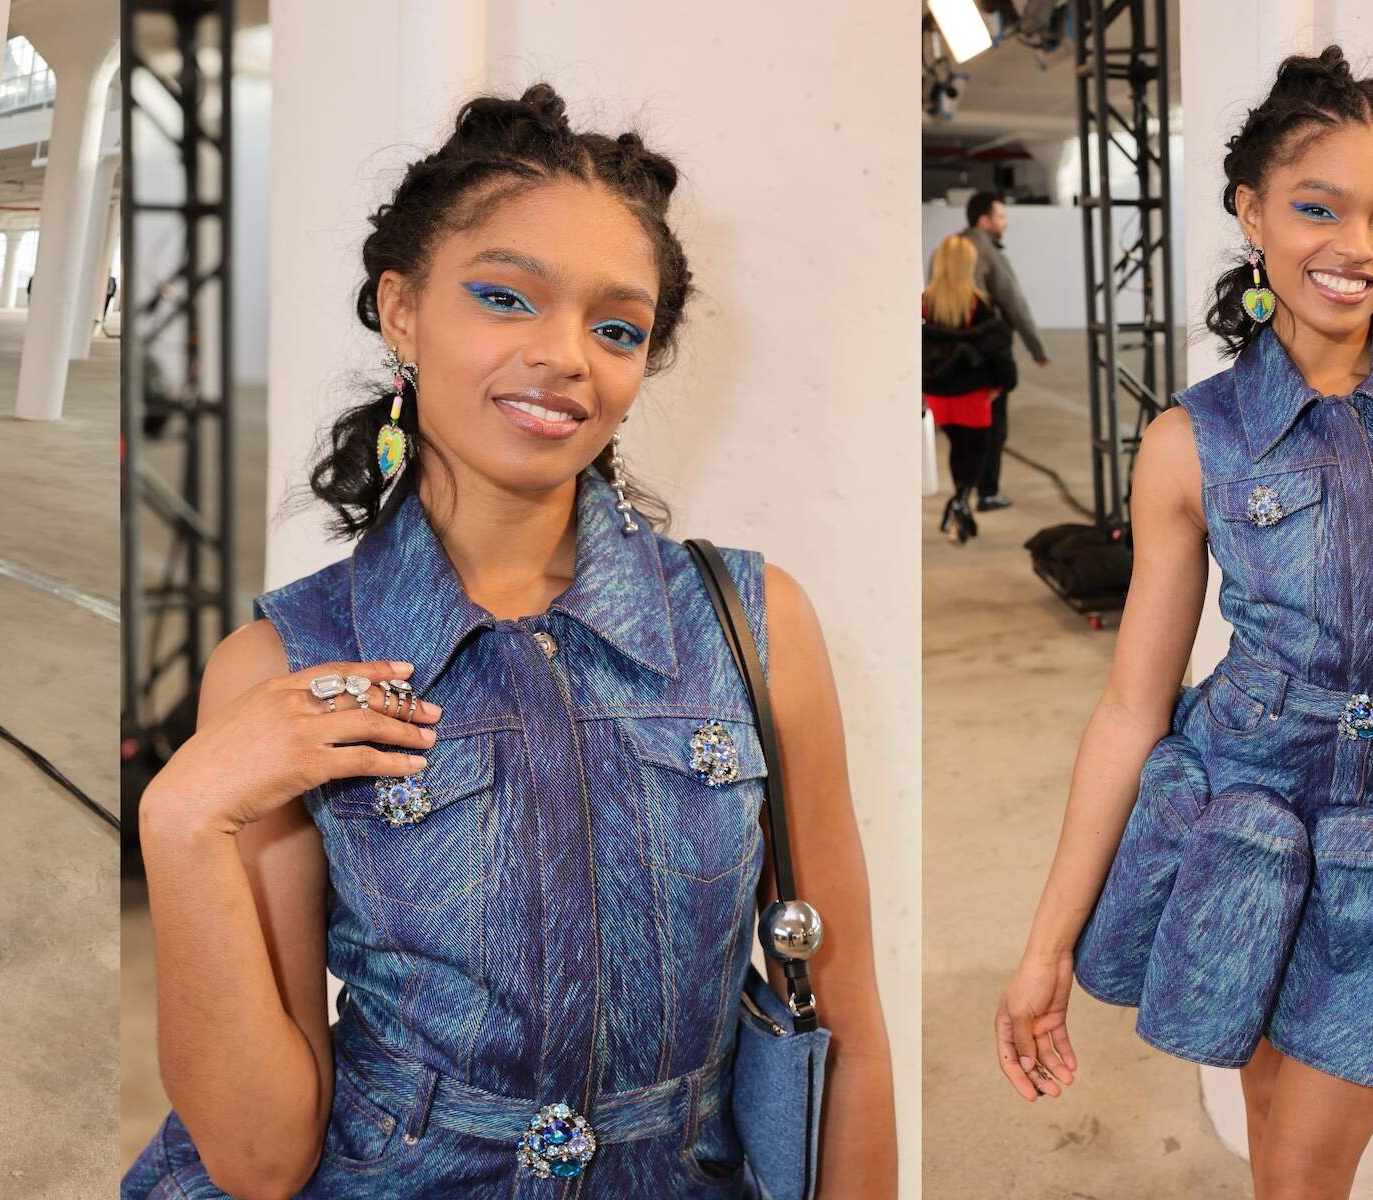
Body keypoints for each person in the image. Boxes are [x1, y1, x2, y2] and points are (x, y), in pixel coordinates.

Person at [121, 83, 896, 1198]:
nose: (566, 354)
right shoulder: (282, 665)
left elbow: (849, 1029)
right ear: (401, 310)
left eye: (616, 327)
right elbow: (260, 1153)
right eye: (505, 297)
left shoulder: (755, 626)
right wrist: (181, 815)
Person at [993, 46, 1373, 1199]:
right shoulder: (1191, 440)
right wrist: (1044, 944)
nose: (1356, 247)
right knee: (1277, 1149)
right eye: (1319, 207)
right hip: (1244, 829)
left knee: (1301, 1177)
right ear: (1251, 211)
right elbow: (1131, 708)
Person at [923, 233, 1016, 545]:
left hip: (937, 394)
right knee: (977, 451)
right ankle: (960, 502)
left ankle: (960, 511)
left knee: (957, 447)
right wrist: (1004, 384)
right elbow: (998, 351)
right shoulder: (979, 305)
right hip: (972, 395)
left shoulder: (924, 305)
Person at [962, 189, 1050, 512]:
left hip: (955, 355)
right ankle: (987, 493)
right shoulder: (988, 252)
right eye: (1001, 216)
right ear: (984, 220)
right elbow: (1014, 304)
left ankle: (963, 493)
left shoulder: (950, 250)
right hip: (988, 353)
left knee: (965, 428)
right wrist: (1036, 348)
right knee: (993, 426)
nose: (1005, 222)